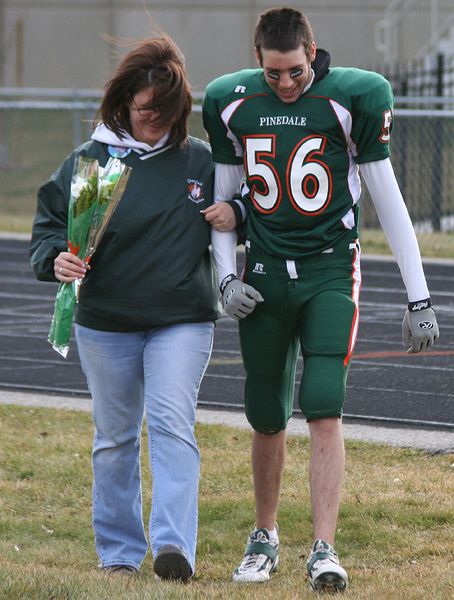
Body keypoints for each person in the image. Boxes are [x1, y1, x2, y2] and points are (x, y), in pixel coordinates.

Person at [202, 6, 439, 593]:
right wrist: (224, 278)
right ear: (258, 58)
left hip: (331, 267)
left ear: (313, 54)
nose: (285, 85)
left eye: (296, 73)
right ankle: (264, 537)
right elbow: (223, 202)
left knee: (325, 399)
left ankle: (324, 548)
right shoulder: (230, 100)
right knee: (264, 409)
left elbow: (388, 198)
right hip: (263, 270)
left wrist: (419, 296)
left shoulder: (353, 97)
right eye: (274, 73)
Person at [30, 34, 231, 582]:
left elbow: (247, 211)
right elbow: (48, 228)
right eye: (146, 110)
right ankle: (119, 553)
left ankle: (174, 549)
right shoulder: (89, 162)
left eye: (168, 112)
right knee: (115, 438)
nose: (157, 121)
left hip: (181, 320)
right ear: (123, 102)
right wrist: (56, 261)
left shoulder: (201, 160)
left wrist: (234, 213)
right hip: (105, 324)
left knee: (171, 423)